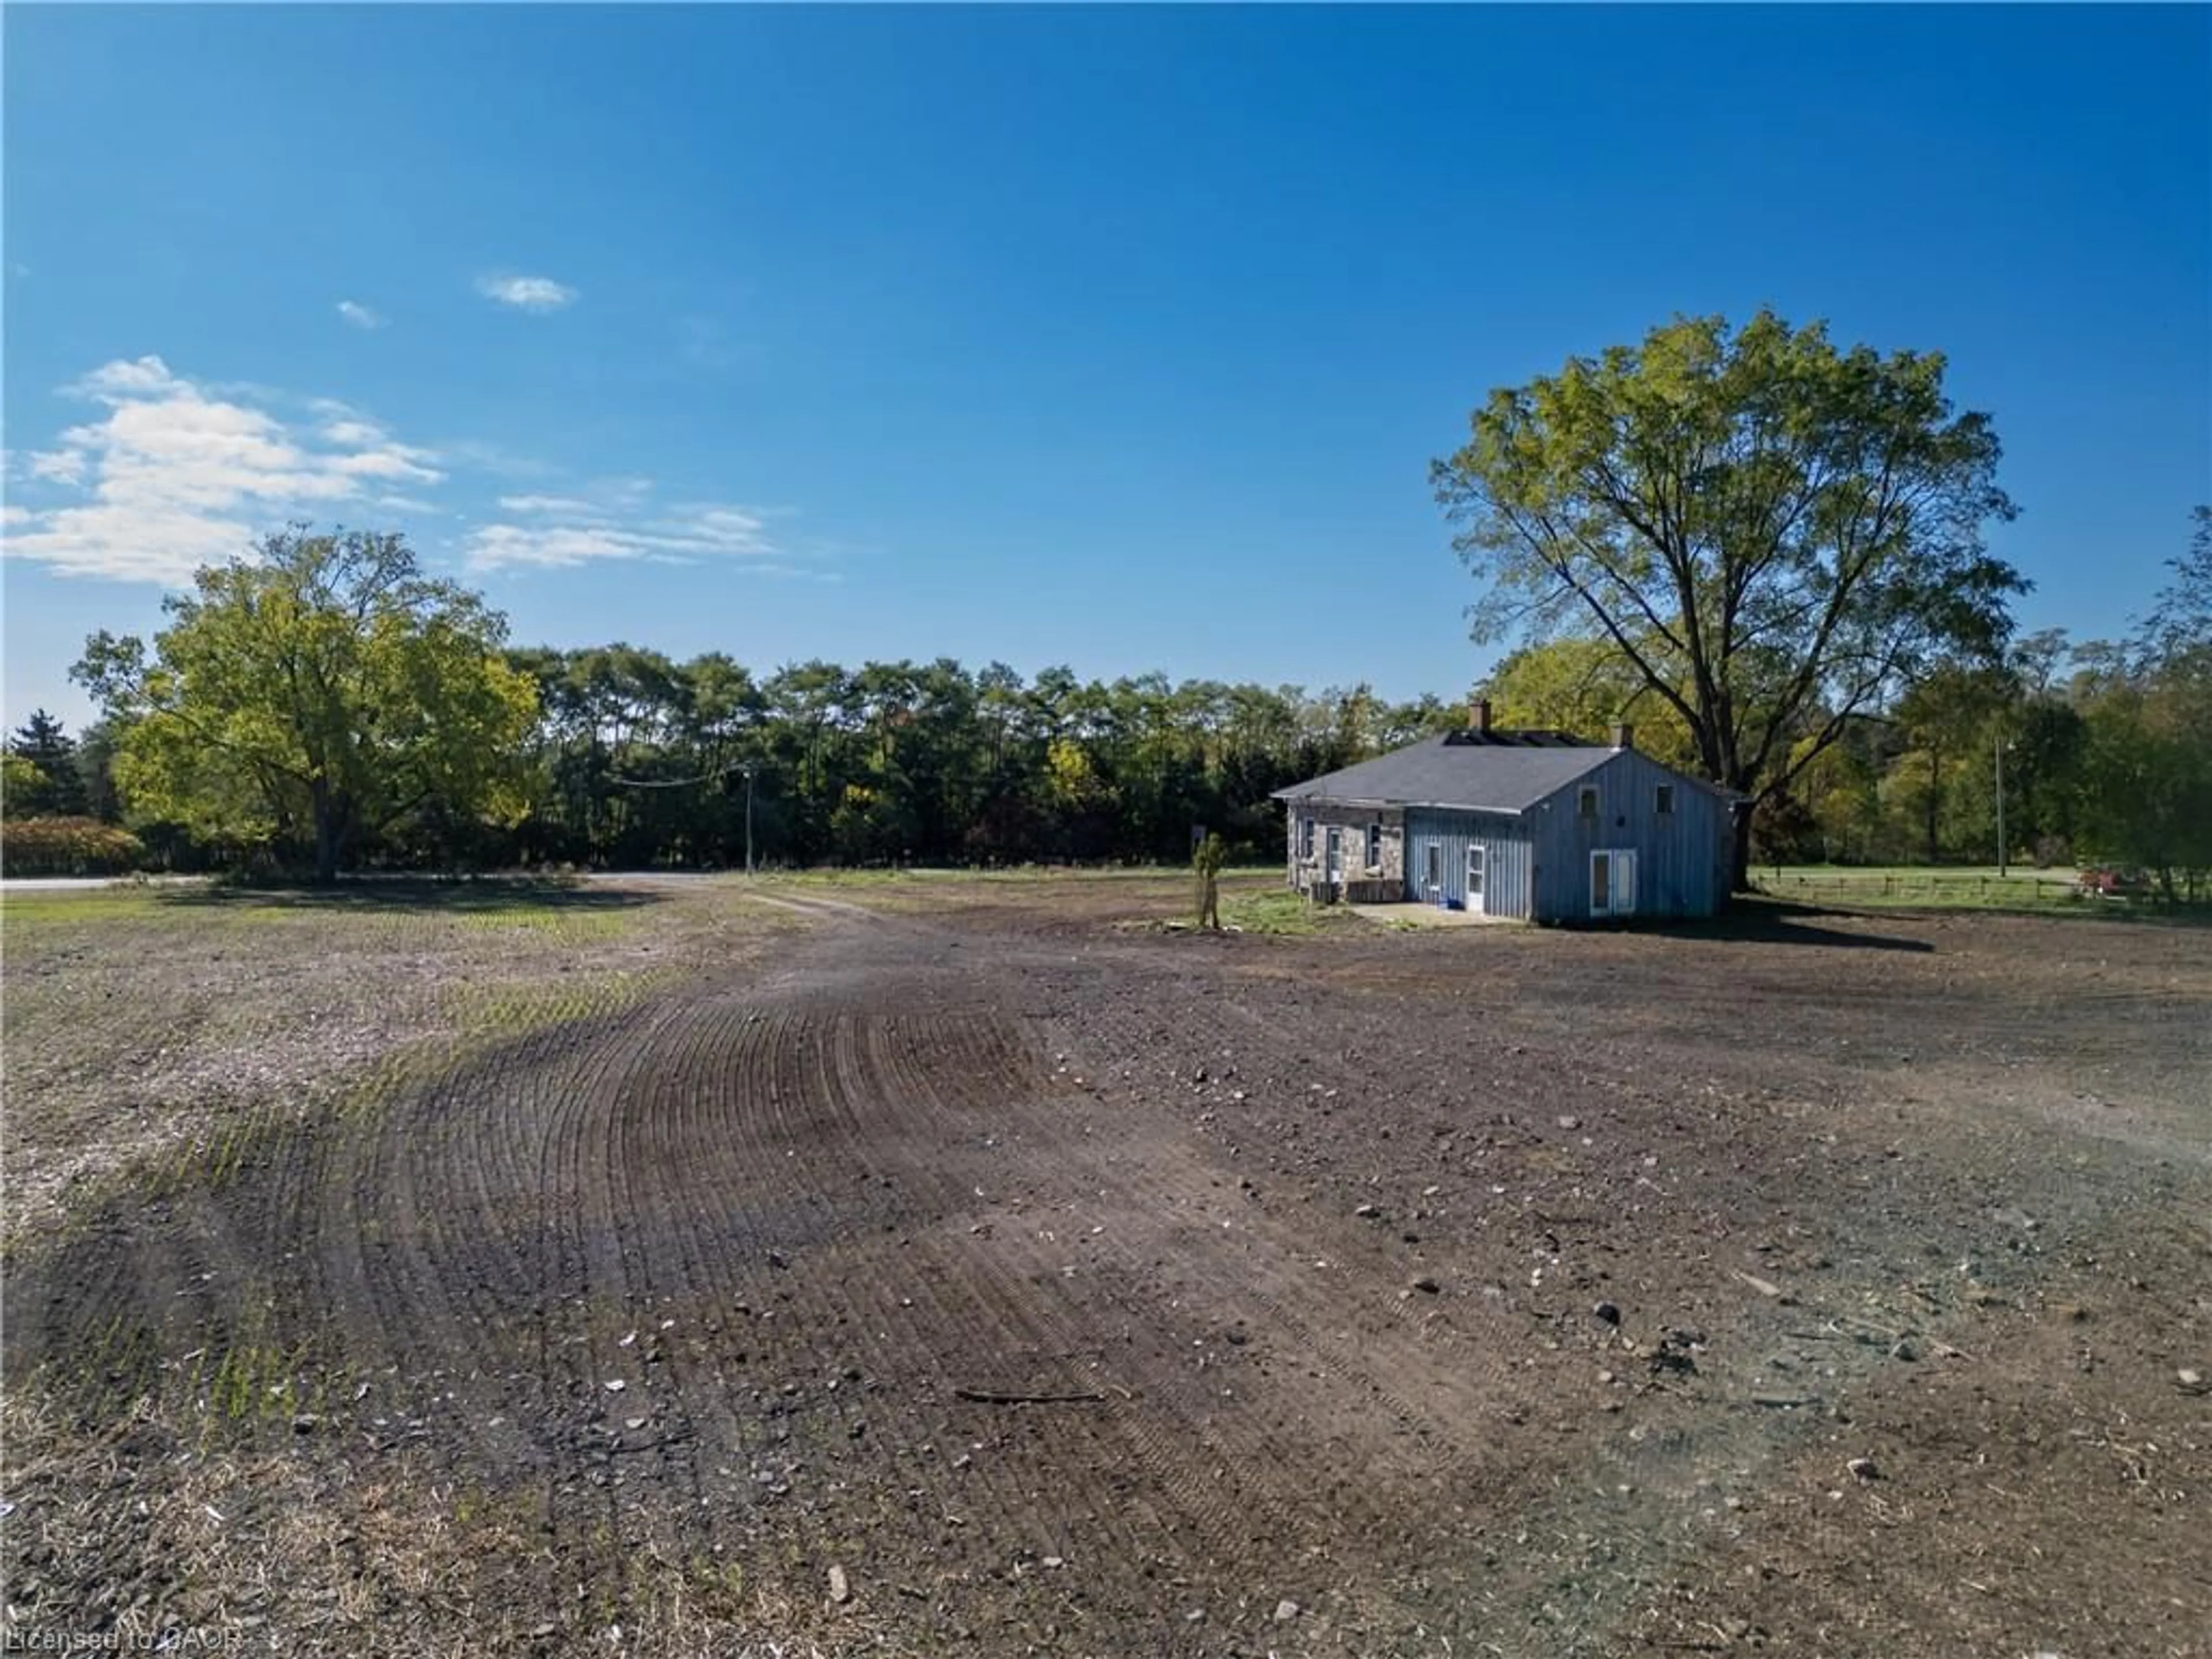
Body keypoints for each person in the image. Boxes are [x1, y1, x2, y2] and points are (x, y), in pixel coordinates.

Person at [1193, 831, 1226, 931]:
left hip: (1210, 877)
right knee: (1207, 900)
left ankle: (1214, 921)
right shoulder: (1207, 851)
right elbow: (1202, 864)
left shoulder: (1211, 852)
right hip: (1206, 878)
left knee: (1213, 899)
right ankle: (1203, 922)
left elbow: (1215, 866)